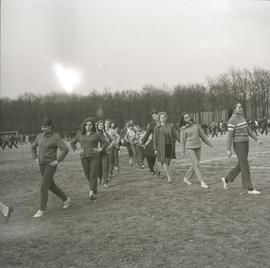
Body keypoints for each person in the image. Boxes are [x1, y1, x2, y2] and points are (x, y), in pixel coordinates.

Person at [31, 118, 70, 218]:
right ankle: (66, 199)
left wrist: (58, 160)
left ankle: (41, 209)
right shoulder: (39, 136)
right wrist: (35, 158)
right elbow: (33, 146)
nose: (43, 129)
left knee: (44, 185)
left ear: (51, 126)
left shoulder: (56, 137)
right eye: (42, 127)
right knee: (51, 186)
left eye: (46, 127)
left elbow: (65, 149)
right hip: (41, 165)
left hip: (50, 165)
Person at [221, 103, 262, 194]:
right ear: (234, 109)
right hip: (238, 144)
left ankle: (226, 179)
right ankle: (249, 188)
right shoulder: (231, 120)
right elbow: (230, 136)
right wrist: (228, 149)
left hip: (246, 143)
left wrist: (257, 139)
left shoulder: (242, 117)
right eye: (239, 107)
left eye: (241, 107)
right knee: (245, 165)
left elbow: (248, 130)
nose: (241, 108)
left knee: (241, 164)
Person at [70, 117, 107, 200]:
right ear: (84, 126)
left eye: (90, 125)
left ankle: (91, 193)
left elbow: (105, 142)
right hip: (83, 157)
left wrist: (100, 149)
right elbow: (72, 142)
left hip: (94, 157)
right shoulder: (80, 135)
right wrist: (77, 150)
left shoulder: (96, 135)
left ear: (92, 126)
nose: (88, 126)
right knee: (87, 174)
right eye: (86, 125)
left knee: (93, 174)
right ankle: (94, 188)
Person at [180, 113, 213, 189]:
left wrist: (209, 143)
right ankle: (202, 182)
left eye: (188, 116)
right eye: (186, 118)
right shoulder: (183, 129)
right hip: (190, 148)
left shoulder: (196, 125)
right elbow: (182, 141)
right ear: (183, 120)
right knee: (196, 164)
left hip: (198, 147)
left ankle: (186, 178)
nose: (188, 118)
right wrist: (182, 152)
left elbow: (202, 136)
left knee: (195, 165)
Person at [153, 112, 180, 182]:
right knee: (164, 161)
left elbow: (176, 135)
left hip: (170, 146)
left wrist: (181, 141)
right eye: (162, 117)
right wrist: (155, 149)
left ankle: (162, 171)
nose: (163, 118)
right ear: (159, 119)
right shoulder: (157, 128)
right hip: (161, 147)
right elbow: (155, 139)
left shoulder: (170, 126)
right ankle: (168, 177)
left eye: (164, 117)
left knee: (168, 162)